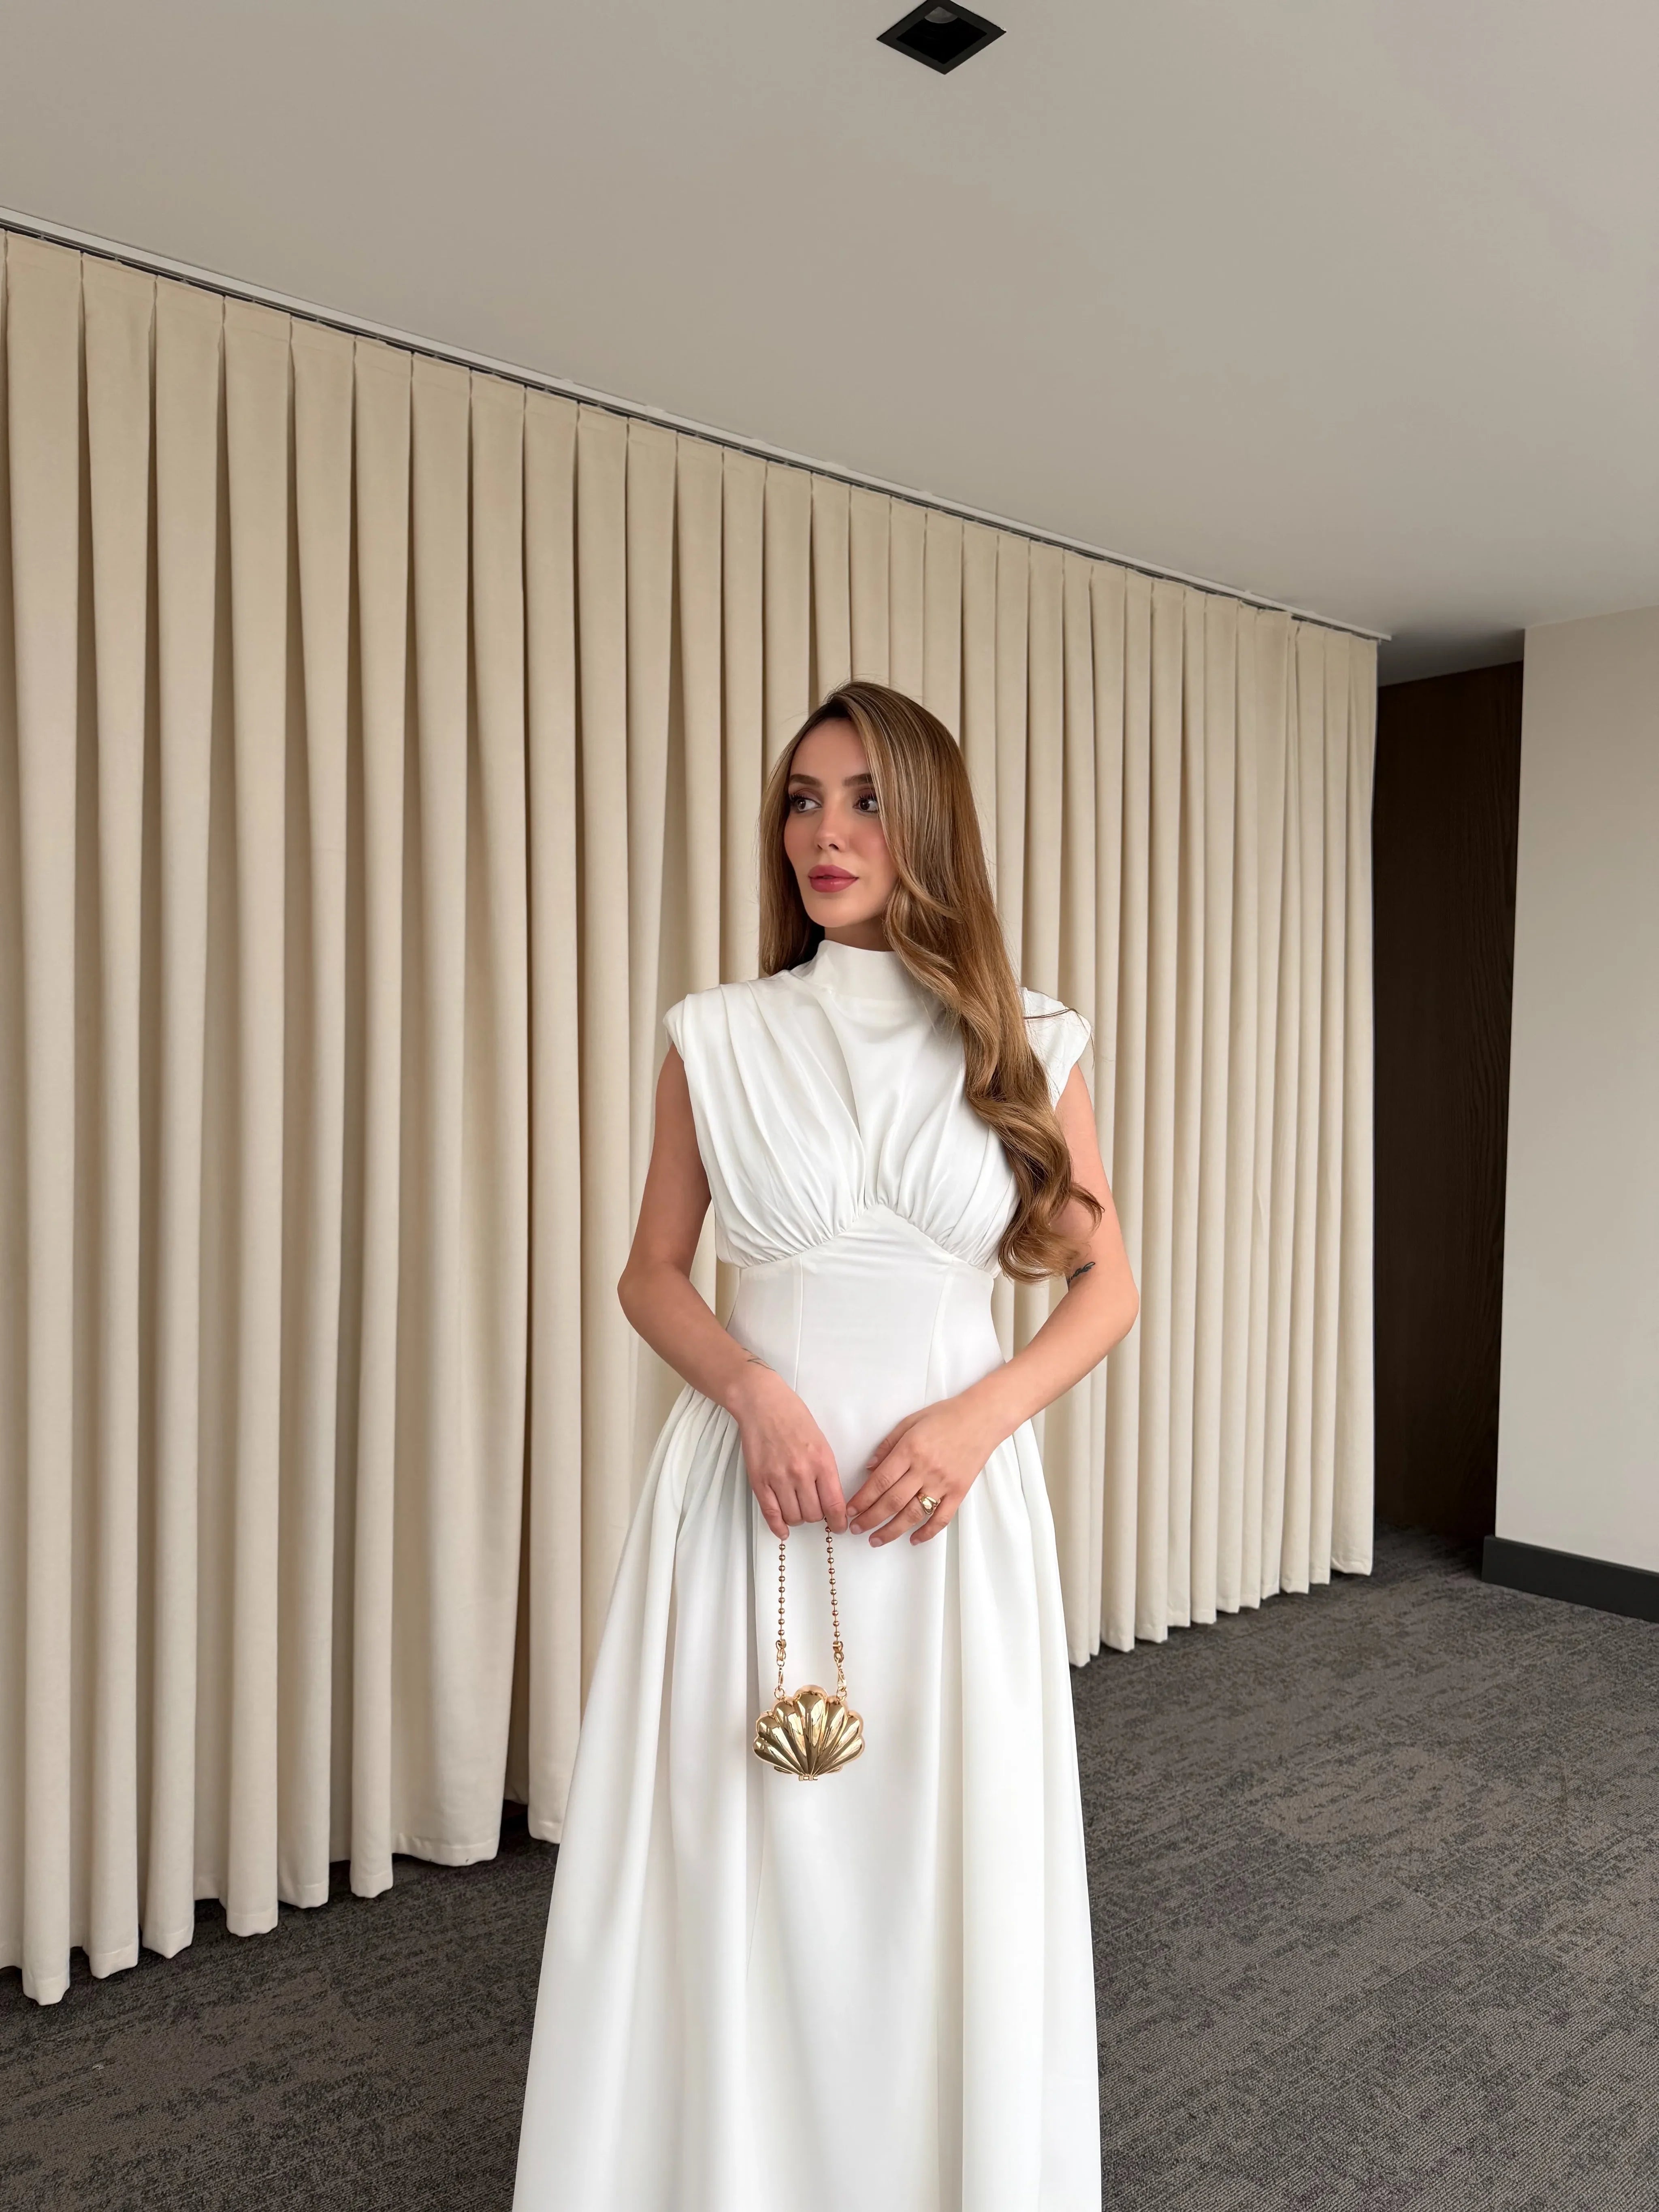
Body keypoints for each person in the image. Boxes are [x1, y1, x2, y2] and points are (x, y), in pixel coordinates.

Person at [512, 681, 1140, 2212]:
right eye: (803, 800)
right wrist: (750, 1387)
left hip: (948, 1519)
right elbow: (651, 1275)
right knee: (738, 1855)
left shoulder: (1027, 1040)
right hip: (752, 1508)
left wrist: (978, 1419)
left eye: (863, 800)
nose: (825, 832)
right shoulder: (718, 1036)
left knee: (935, 1869)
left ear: (929, 823)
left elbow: (1106, 1286)